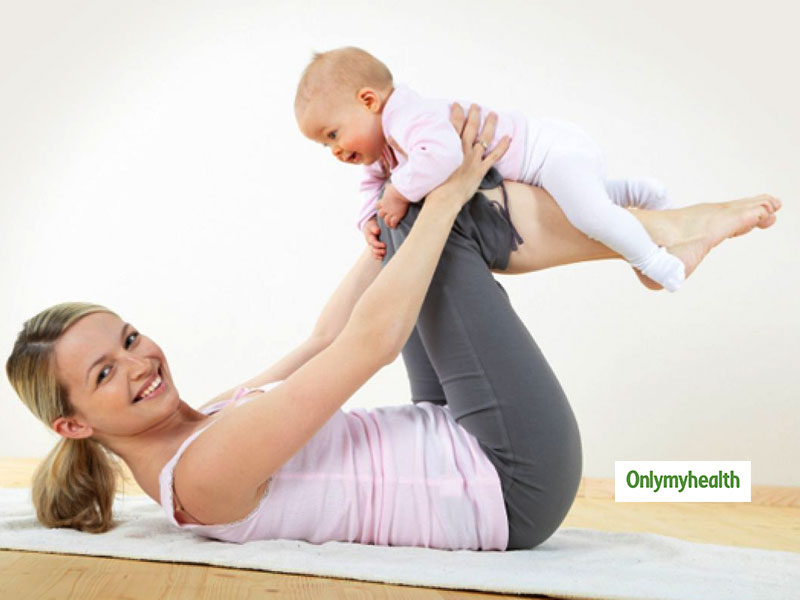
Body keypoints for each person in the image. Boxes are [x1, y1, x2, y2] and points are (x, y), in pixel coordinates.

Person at [6, 107, 780, 551]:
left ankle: (656, 239)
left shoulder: (203, 423)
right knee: (448, 221)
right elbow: (365, 347)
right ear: (73, 422)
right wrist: (438, 199)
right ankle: (662, 237)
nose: (139, 362)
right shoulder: (202, 477)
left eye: (129, 338)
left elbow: (319, 341)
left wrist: (386, 225)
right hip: (511, 482)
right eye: (105, 373)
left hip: (454, 438)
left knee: (418, 226)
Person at [295, 46, 689, 291]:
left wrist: (398, 193)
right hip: (544, 168)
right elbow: (374, 184)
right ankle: (638, 192)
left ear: (368, 101)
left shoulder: (407, 116)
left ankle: (654, 262)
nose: (334, 150)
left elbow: (442, 156)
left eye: (333, 134)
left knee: (587, 215)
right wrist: (368, 217)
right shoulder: (383, 147)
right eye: (325, 144)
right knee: (577, 200)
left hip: (550, 151)